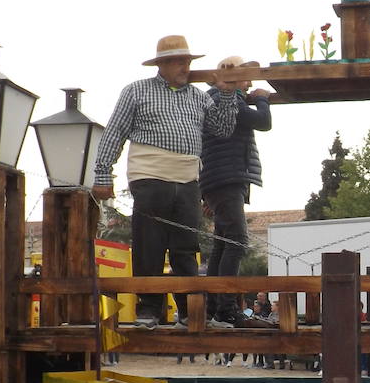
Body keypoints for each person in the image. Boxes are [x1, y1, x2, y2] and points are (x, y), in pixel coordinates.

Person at [92, 35, 239, 329]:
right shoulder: (136, 91)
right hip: (149, 175)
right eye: (179, 61)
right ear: (163, 64)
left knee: (187, 246)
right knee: (150, 244)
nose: (185, 67)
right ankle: (149, 309)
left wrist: (225, 93)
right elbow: (114, 133)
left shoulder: (199, 97)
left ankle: (189, 311)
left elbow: (223, 130)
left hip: (187, 178)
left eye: (187, 61)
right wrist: (102, 174)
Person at [200, 56, 274, 328]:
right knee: (237, 240)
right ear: (233, 78)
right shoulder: (225, 100)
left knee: (223, 243)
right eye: (246, 77)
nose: (251, 83)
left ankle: (214, 307)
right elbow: (263, 121)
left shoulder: (217, 99)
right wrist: (263, 98)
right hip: (227, 178)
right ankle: (226, 309)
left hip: (219, 179)